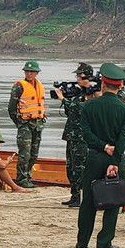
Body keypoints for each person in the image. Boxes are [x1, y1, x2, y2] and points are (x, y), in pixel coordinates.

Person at [76, 62, 125, 248]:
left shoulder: (89, 106)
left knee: (88, 200)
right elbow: (123, 140)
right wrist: (115, 160)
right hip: (115, 159)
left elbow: (85, 133)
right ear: (119, 86)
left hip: (94, 157)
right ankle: (104, 242)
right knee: (113, 200)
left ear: (102, 84)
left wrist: (103, 146)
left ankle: (82, 241)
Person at [53, 62, 96, 207]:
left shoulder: (92, 94)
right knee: (71, 167)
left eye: (80, 76)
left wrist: (63, 99)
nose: (78, 78)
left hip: (81, 137)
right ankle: (74, 195)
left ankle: (80, 196)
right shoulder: (80, 93)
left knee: (79, 167)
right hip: (72, 135)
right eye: (77, 76)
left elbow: (81, 109)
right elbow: (70, 111)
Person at [9, 60, 46, 188]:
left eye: (32, 71)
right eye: (27, 71)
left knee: (34, 153)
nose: (29, 73)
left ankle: (28, 177)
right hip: (25, 124)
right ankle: (21, 178)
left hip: (38, 123)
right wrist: (19, 122)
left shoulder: (39, 85)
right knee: (25, 153)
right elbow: (11, 107)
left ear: (37, 73)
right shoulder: (19, 86)